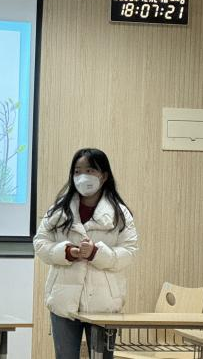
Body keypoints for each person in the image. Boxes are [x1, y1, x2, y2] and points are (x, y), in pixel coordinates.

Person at [33, 148, 138, 359]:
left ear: (104, 175)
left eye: (90, 170)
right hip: (63, 299)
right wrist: (66, 252)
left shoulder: (120, 213)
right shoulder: (58, 210)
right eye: (77, 171)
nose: (83, 176)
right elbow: (40, 243)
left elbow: (129, 252)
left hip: (104, 302)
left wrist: (96, 253)